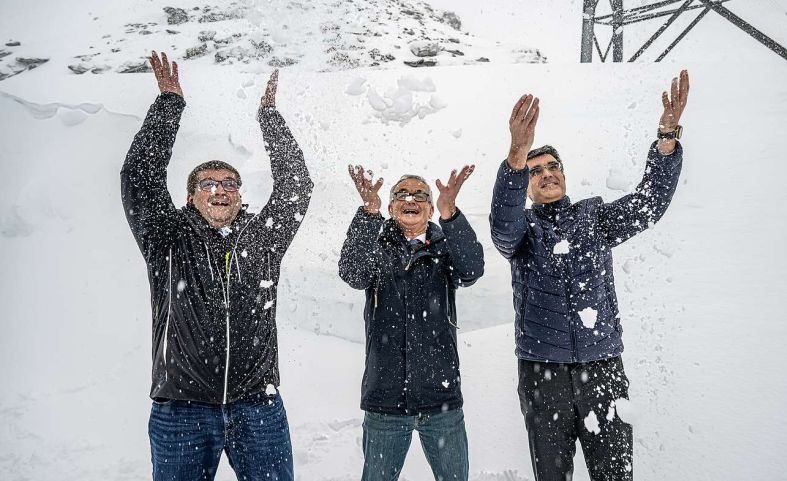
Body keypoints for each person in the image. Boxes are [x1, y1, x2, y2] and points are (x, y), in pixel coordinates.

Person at [121, 51, 313, 481]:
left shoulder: (262, 238)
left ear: (241, 195)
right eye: (208, 183)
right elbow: (139, 177)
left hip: (257, 406)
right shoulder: (166, 239)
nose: (220, 189)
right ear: (191, 197)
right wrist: (168, 105)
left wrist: (269, 117)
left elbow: (296, 185)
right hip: (181, 409)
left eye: (230, 182)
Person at [489, 70, 690, 481]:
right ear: (526, 186)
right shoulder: (523, 231)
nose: (546, 173)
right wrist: (515, 156)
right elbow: (501, 227)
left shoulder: (594, 217)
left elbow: (648, 204)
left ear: (563, 174)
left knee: (615, 476)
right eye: (535, 170)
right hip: (543, 373)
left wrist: (667, 141)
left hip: (602, 369)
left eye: (552, 166)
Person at [338, 164, 484, 481]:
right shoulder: (376, 249)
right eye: (402, 193)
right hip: (385, 401)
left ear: (430, 208)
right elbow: (351, 272)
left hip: (440, 399)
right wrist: (367, 214)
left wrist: (452, 216)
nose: (411, 199)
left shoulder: (445, 250)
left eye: (420, 194)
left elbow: (472, 269)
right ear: (391, 208)